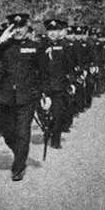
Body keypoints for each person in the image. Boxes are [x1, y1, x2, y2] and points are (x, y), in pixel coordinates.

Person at [0, 13, 48, 181]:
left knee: (22, 132)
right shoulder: (4, 46)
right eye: (14, 27)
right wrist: (1, 40)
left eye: (21, 27)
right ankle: (20, 153)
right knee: (7, 134)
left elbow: (44, 73)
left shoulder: (36, 47)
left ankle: (18, 167)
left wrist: (44, 95)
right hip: (5, 97)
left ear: (28, 27)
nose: (18, 30)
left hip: (27, 97)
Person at [41, 19, 74, 149]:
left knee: (58, 113)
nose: (53, 33)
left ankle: (56, 139)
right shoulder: (40, 46)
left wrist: (71, 81)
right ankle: (47, 128)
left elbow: (70, 65)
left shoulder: (65, 46)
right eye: (50, 30)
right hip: (44, 86)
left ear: (59, 31)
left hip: (59, 86)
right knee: (43, 113)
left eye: (55, 30)